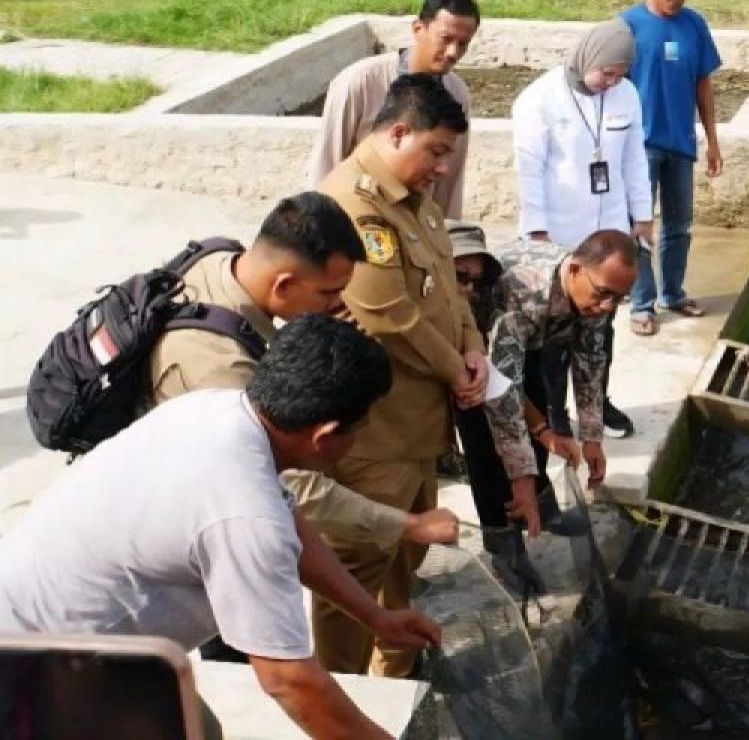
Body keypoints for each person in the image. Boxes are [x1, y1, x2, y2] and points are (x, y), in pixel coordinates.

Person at [0, 315, 441, 740]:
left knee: (199, 727)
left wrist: (374, 615)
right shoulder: (245, 512)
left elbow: (289, 522)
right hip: (37, 669)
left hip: (48, 627)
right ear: (325, 436)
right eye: (359, 429)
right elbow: (291, 682)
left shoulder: (219, 410)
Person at [148, 192, 459, 662]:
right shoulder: (222, 374)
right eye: (329, 294)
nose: (340, 306)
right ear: (284, 284)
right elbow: (294, 492)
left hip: (200, 487)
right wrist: (406, 524)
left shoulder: (227, 262)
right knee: (244, 659)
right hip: (163, 556)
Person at [313, 73, 487, 678]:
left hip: (418, 432)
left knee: (404, 568)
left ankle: (395, 678)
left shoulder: (415, 202)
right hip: (374, 437)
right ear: (398, 131)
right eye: (435, 151)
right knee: (353, 578)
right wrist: (455, 369)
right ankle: (344, 694)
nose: (442, 168)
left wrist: (474, 351)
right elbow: (388, 313)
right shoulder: (355, 204)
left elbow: (449, 292)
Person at [512, 18, 652, 439]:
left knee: (601, 325)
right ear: (587, 58)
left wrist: (641, 214)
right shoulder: (539, 100)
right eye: (606, 73)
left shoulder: (625, 96)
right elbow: (529, 171)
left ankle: (599, 401)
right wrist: (537, 234)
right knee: (554, 333)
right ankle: (555, 412)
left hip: (607, 230)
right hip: (558, 234)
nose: (611, 82)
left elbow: (633, 160)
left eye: (619, 75)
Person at [446, 221, 585, 593]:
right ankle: (503, 545)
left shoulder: (488, 305)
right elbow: (497, 398)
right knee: (485, 451)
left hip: (485, 360)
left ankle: (540, 503)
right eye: (460, 276)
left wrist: (544, 430)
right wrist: (521, 469)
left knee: (535, 395)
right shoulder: (433, 305)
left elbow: (507, 384)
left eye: (476, 280)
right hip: (458, 373)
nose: (469, 288)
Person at [484, 230, 639, 527]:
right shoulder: (522, 293)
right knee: (492, 452)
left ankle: (544, 510)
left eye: (619, 299)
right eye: (604, 294)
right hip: (478, 350)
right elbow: (501, 392)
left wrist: (592, 437)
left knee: (541, 420)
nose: (609, 306)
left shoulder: (597, 291)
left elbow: (590, 363)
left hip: (531, 343)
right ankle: (505, 545)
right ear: (576, 270)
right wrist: (522, 474)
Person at [307, 0, 480, 219]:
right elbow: (327, 162)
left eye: (463, 44)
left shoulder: (457, 94)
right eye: (446, 39)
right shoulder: (359, 83)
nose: (452, 52)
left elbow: (449, 183)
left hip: (415, 228)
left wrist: (449, 240)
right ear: (418, 29)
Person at [623, 0, 724, 337]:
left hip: (680, 142)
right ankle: (642, 302)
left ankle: (673, 292)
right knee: (639, 225)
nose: (675, 0)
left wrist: (712, 140)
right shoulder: (628, 26)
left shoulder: (695, 25)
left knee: (679, 225)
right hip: (639, 145)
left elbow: (704, 83)